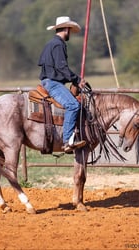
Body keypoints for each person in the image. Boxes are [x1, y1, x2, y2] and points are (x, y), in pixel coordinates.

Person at [38, 16, 87, 153]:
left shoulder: (50, 43)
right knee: (73, 105)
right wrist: (77, 79)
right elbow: (61, 67)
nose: (70, 33)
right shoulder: (59, 44)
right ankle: (67, 141)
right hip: (53, 83)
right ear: (66, 29)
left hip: (50, 81)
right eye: (70, 30)